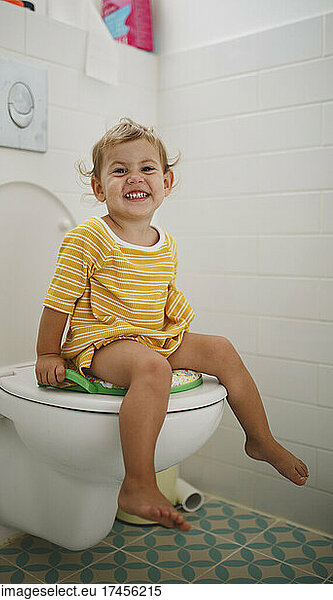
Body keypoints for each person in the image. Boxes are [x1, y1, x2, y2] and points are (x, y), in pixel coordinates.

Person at [35, 118, 309, 532]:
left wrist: (176, 332)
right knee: (151, 367)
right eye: (119, 169)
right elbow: (59, 303)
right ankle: (138, 482)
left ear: (166, 181)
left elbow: (160, 300)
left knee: (221, 349)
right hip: (101, 343)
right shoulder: (86, 238)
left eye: (147, 168)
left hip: (150, 335)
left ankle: (259, 439)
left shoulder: (166, 242)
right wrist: (47, 352)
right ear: (98, 187)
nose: (135, 177)